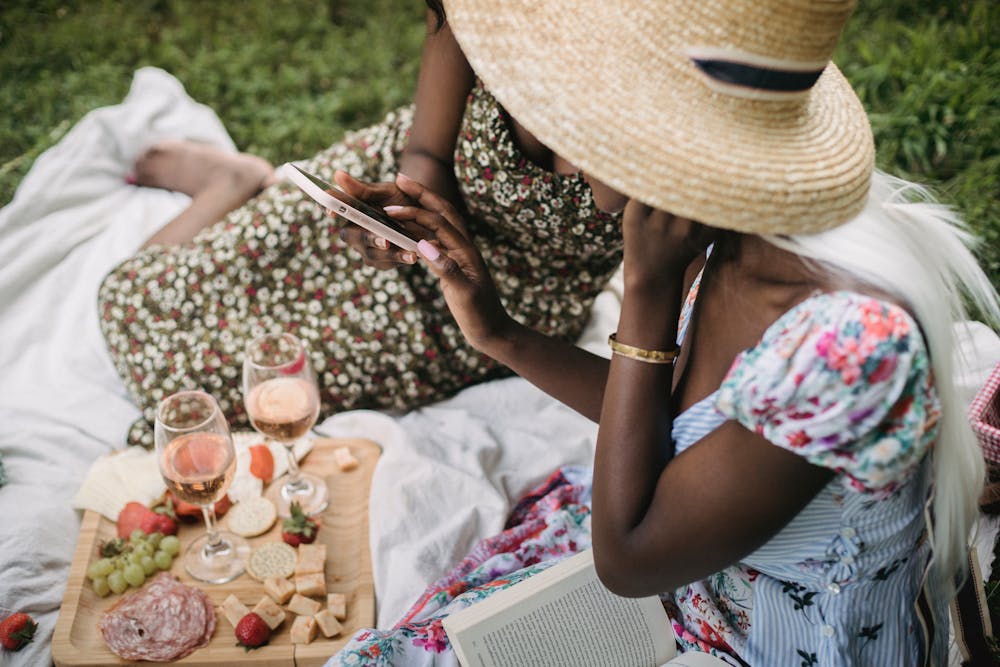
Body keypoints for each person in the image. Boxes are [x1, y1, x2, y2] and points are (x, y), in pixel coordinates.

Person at [321, 0, 1000, 665]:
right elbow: (668, 416)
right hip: (684, 588)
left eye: (586, 108)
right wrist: (497, 331)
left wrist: (645, 287)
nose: (559, 136)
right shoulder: (722, 229)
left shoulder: (851, 346)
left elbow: (630, 556)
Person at [97, 1, 624, 447]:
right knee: (127, 301)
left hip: (491, 302)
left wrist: (495, 328)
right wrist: (403, 216)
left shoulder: (665, 138)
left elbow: (659, 403)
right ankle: (236, 183)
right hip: (406, 192)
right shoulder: (489, 9)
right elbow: (426, 150)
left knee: (197, 397)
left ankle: (243, 185)